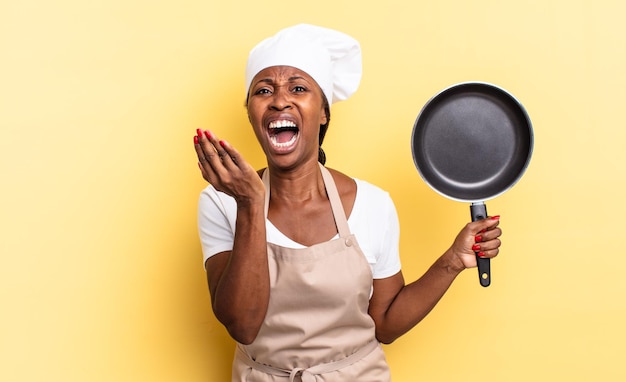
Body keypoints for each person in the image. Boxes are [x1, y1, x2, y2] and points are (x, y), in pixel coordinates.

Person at [194, 24, 502, 381]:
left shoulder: (373, 203)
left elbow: (385, 323)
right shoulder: (222, 202)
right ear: (251, 114)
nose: (279, 100)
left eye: (298, 88)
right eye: (264, 90)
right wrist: (250, 203)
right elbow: (243, 325)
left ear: (323, 113)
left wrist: (452, 260)